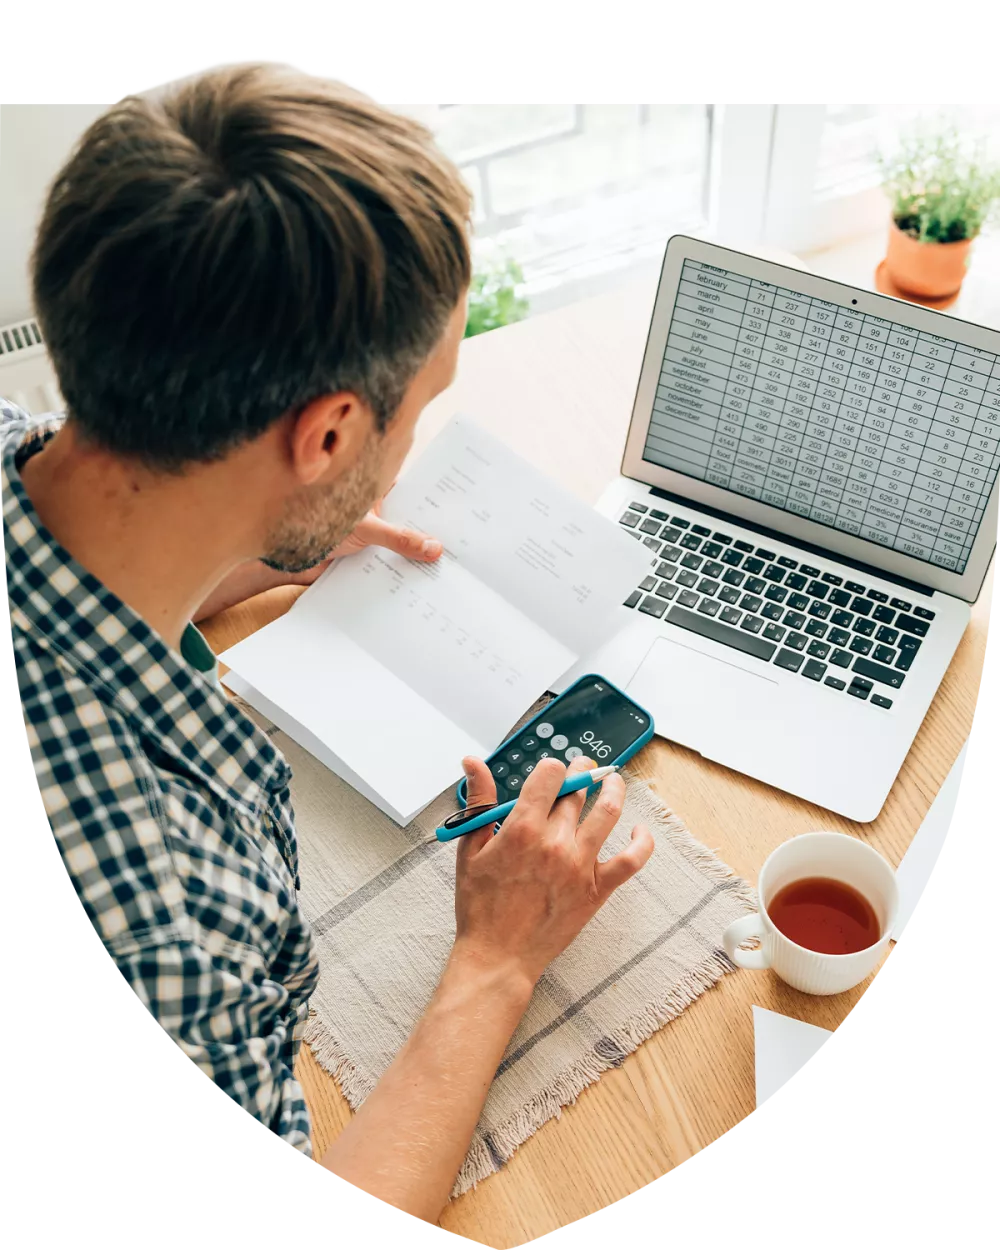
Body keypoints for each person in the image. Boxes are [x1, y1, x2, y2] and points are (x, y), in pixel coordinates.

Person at [2, 66, 653, 1225]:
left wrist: (252, 539)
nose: (409, 454)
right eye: (418, 410)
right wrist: (496, 960)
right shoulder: (153, 918)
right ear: (331, 431)